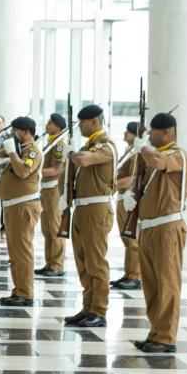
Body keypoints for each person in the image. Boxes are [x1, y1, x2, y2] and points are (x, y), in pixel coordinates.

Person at [121, 112, 187, 353]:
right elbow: (142, 180)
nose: (149, 135)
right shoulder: (151, 156)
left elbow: (159, 162)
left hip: (167, 227)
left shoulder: (177, 154)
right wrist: (132, 195)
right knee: (151, 283)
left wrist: (142, 148)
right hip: (149, 227)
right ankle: (156, 332)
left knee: (167, 282)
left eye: (153, 131)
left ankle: (166, 337)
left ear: (167, 133)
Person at [63, 105, 117, 328]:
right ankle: (88, 307)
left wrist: (71, 154)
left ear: (95, 121)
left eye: (83, 123)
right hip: (82, 209)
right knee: (83, 262)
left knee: (96, 262)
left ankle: (99, 310)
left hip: (96, 210)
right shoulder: (90, 145)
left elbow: (84, 160)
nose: (80, 127)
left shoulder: (106, 146)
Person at [0, 117, 42, 306]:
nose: (12, 134)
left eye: (15, 130)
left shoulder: (32, 151)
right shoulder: (15, 149)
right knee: (15, 253)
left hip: (23, 207)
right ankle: (18, 291)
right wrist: (3, 154)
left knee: (23, 252)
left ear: (25, 132)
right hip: (11, 207)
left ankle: (25, 294)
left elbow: (23, 172)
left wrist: (12, 154)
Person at [35, 113, 68, 278]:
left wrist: (33, 170)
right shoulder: (51, 142)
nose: (47, 125)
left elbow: (56, 169)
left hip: (54, 189)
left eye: (50, 123)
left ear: (58, 127)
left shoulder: (60, 144)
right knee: (47, 228)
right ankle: (49, 262)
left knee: (55, 227)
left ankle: (57, 264)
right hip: (45, 188)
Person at [112, 122, 142, 290]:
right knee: (126, 239)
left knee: (133, 240)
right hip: (122, 198)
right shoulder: (129, 152)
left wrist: (112, 185)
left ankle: (135, 276)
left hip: (129, 199)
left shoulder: (136, 154)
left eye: (128, 131)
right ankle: (128, 273)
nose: (125, 133)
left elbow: (132, 178)